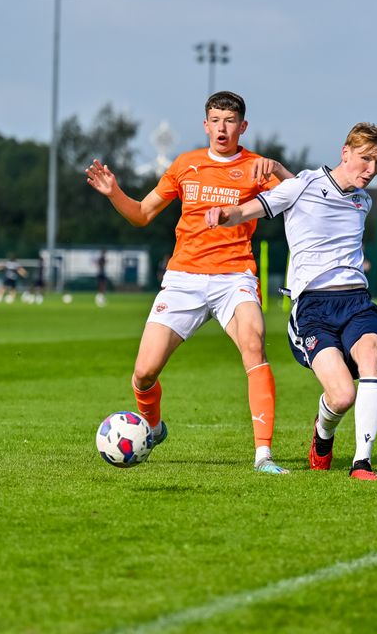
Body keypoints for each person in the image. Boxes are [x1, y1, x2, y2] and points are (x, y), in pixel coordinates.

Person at [86, 90, 293, 475]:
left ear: (242, 126)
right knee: (144, 373)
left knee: (254, 344)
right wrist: (114, 192)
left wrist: (278, 170)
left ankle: (263, 455)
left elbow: (301, 197)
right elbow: (143, 214)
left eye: (230, 121)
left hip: (235, 276)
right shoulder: (185, 165)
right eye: (215, 120)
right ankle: (154, 425)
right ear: (205, 124)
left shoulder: (255, 168)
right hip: (184, 278)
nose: (222, 128)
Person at [206, 123, 377, 481]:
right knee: (341, 397)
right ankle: (323, 436)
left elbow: (325, 194)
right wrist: (225, 215)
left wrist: (277, 169)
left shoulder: (362, 200)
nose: (371, 170)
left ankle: (362, 463)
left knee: (372, 358)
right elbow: (260, 207)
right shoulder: (301, 185)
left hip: (356, 300)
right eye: (366, 160)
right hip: (313, 308)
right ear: (345, 152)